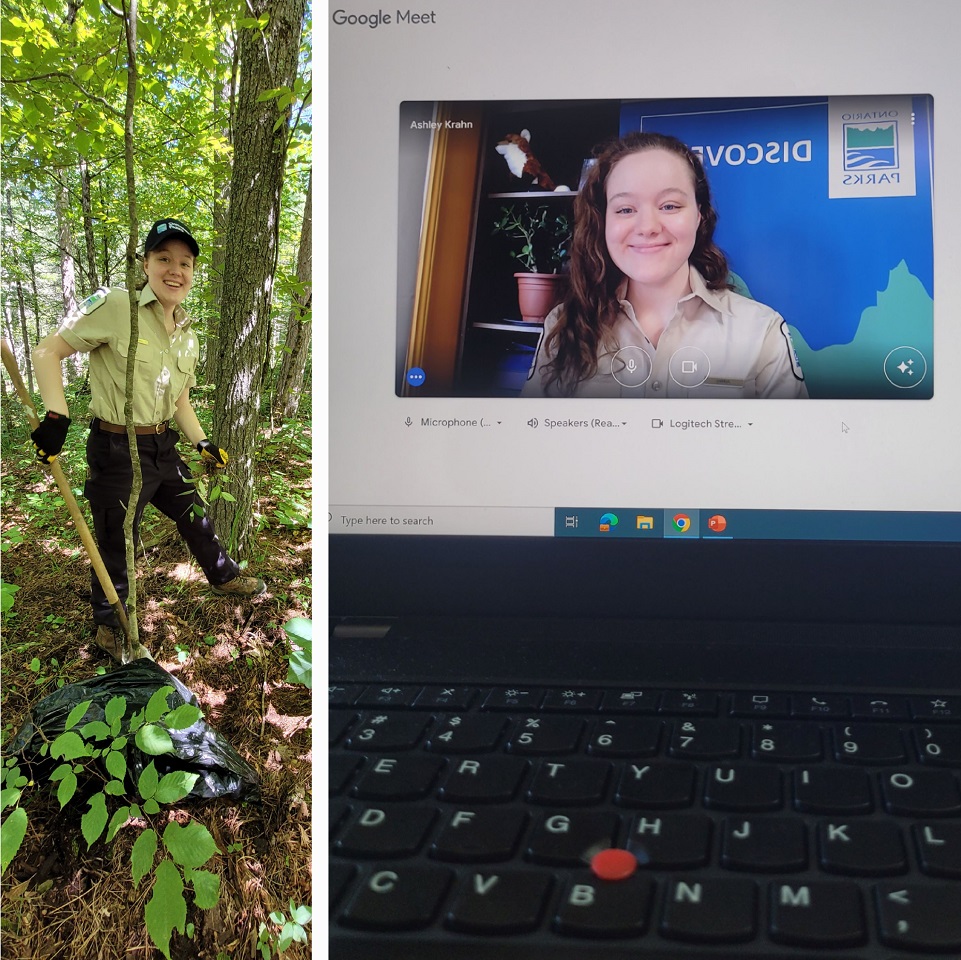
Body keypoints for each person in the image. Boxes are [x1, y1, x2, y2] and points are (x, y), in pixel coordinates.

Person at [30, 218, 265, 662]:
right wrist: (56, 417)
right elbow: (47, 351)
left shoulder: (187, 331)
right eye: (164, 259)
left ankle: (222, 575)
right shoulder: (115, 305)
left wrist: (201, 442)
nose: (175, 270)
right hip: (117, 449)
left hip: (163, 445)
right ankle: (111, 624)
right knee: (117, 538)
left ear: (193, 271)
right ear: (146, 264)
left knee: (194, 513)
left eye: (185, 262)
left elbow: (179, 399)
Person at [522, 132, 808, 399]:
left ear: (699, 215)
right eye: (625, 209)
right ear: (603, 221)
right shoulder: (562, 325)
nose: (647, 227)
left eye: (669, 205)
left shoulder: (761, 331)